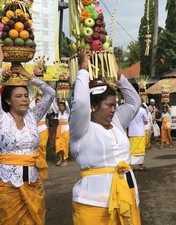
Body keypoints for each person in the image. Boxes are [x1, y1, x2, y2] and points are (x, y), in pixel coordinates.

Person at [70, 49, 142, 224]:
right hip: (93, 203)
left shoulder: (116, 122)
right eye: (109, 105)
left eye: (115, 105)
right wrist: (83, 69)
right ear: (93, 106)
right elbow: (80, 103)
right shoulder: (82, 129)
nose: (113, 110)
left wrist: (117, 74)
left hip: (127, 197)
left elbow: (135, 102)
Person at [0, 51, 55, 223]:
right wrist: (1, 65)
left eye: (26, 96)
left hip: (33, 182)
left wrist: (27, 75)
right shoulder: (2, 118)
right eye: (18, 96)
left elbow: (50, 93)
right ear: (8, 101)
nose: (24, 100)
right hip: (7, 185)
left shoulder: (33, 116)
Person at [128, 102, 149, 171]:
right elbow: (146, 120)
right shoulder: (142, 110)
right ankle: (141, 166)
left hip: (131, 132)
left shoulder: (130, 110)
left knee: (132, 150)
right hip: (140, 132)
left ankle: (132, 166)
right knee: (141, 150)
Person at [53, 97, 70, 166]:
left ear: (65, 106)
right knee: (58, 144)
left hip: (65, 130)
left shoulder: (67, 112)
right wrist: (53, 98)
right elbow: (54, 105)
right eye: (60, 106)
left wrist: (65, 101)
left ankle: (65, 160)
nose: (61, 107)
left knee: (64, 145)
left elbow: (68, 107)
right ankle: (60, 159)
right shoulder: (59, 112)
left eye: (62, 105)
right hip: (59, 129)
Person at [35, 94, 49, 160]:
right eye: (36, 102)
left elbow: (48, 101)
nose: (38, 104)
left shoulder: (44, 110)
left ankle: (43, 161)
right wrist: (32, 98)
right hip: (36, 130)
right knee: (37, 147)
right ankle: (38, 161)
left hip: (43, 129)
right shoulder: (33, 111)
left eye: (39, 102)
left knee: (42, 146)